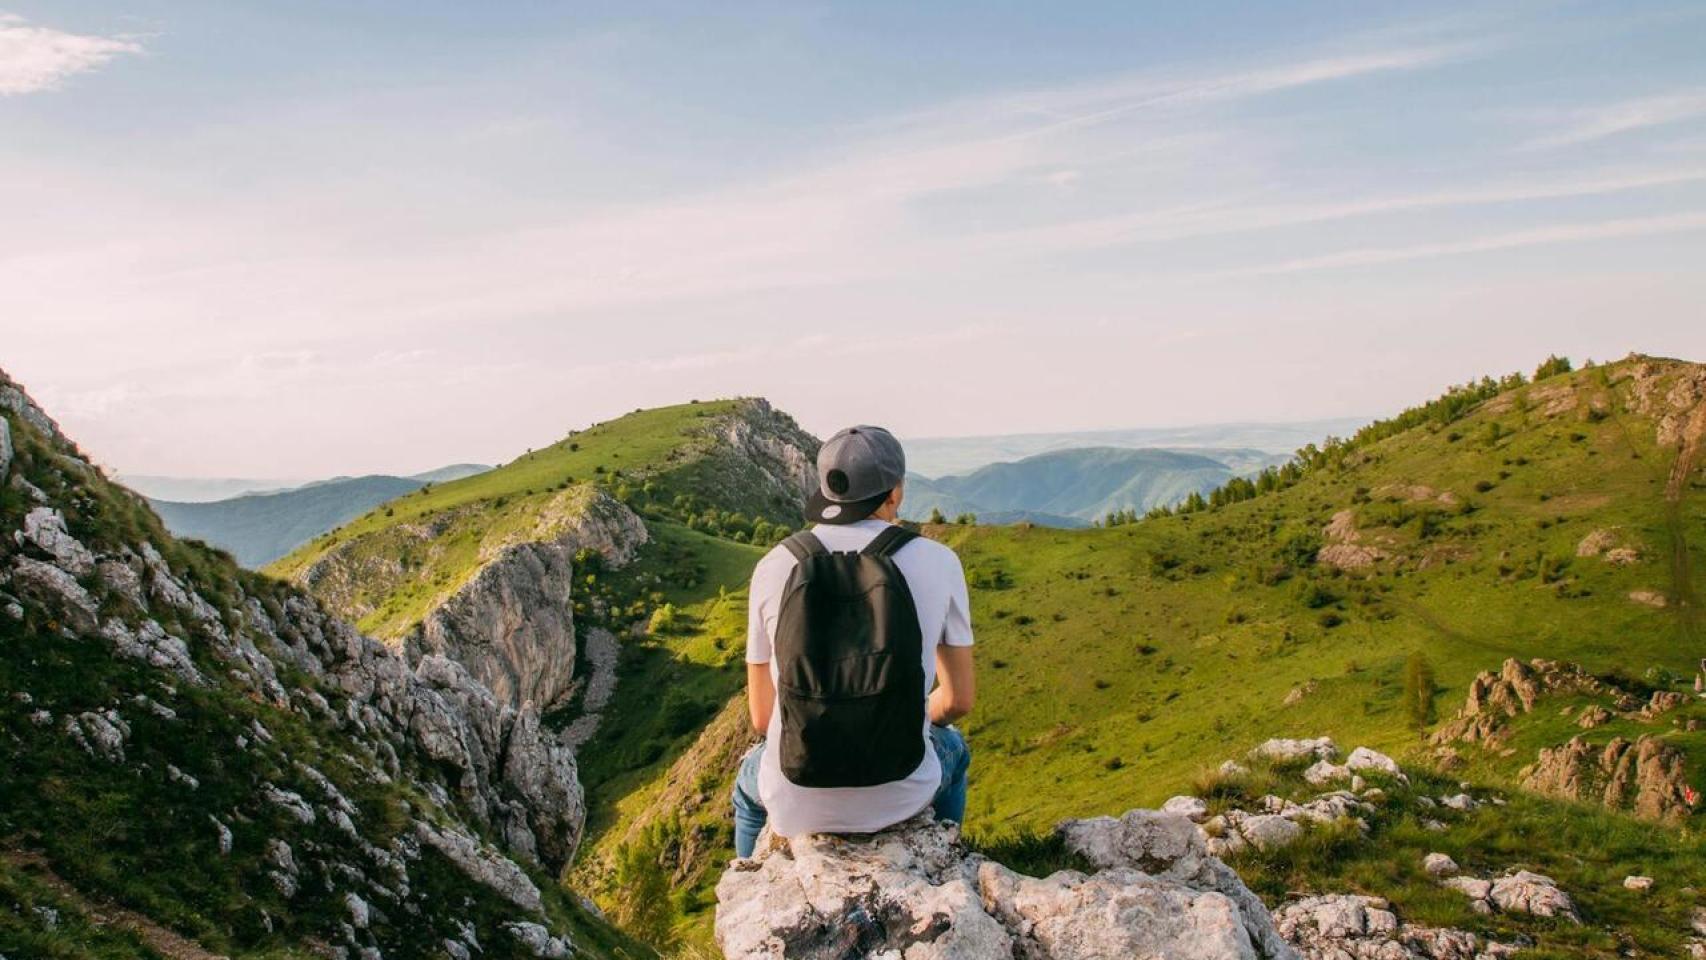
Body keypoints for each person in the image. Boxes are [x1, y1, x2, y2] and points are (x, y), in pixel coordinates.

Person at [732, 425, 976, 858]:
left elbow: (762, 718)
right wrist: (908, 715)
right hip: (902, 793)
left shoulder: (773, 566)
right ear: (895, 492)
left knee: (747, 789)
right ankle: (943, 854)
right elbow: (958, 700)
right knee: (954, 747)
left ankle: (751, 870)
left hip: (797, 798)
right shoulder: (940, 561)